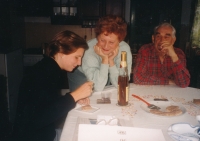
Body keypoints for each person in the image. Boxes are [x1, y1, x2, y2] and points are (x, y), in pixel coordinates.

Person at [11, 30, 93, 141]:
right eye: (77, 57)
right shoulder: (42, 74)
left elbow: (47, 102)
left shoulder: (47, 68)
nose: (80, 63)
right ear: (61, 53)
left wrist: (74, 98)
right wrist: (74, 96)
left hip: (42, 134)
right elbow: (40, 118)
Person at [67, 15, 132, 92]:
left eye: (111, 42)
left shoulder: (124, 50)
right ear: (97, 37)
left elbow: (121, 85)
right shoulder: (88, 50)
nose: (106, 46)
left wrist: (111, 62)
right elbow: (97, 87)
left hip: (105, 72)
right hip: (81, 74)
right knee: (81, 100)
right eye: (102, 40)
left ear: (119, 41)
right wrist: (105, 59)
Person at [133, 22, 190, 88]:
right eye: (158, 36)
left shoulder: (178, 53)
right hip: (149, 92)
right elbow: (137, 78)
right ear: (153, 39)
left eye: (166, 37)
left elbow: (184, 83)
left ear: (173, 40)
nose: (162, 40)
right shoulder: (145, 50)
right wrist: (168, 81)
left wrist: (174, 57)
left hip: (172, 94)